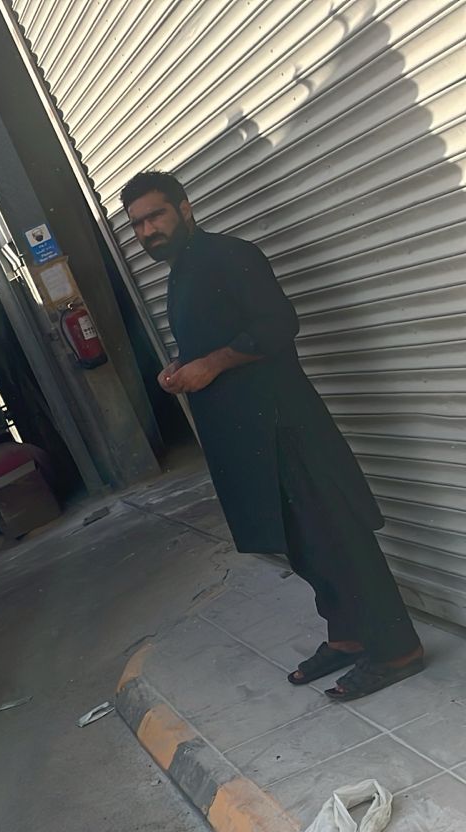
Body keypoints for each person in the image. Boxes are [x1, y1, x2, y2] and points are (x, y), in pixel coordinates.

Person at [121, 171, 423, 700]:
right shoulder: (183, 270)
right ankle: (348, 636)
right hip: (250, 439)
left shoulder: (229, 255)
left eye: (156, 216)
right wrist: (183, 367)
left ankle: (398, 649)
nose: (148, 231)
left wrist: (211, 364)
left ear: (185, 208)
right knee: (303, 544)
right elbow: (219, 337)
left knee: (338, 537)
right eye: (138, 225)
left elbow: (279, 324)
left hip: (284, 425)